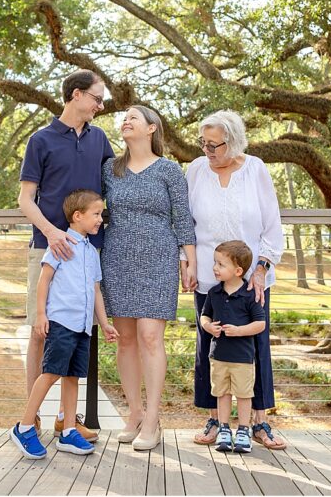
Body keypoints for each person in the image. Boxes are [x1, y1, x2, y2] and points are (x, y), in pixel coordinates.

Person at [18, 70, 114, 440]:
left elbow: (111, 187)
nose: (100, 106)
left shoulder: (100, 139)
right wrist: (52, 231)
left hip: (88, 251)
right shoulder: (40, 140)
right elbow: (26, 198)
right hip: (47, 247)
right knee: (40, 333)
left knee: (76, 334)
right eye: (96, 98)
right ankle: (32, 416)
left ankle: (67, 418)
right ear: (76, 95)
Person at [185, 110, 287, 450]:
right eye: (203, 143)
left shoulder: (255, 169)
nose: (207, 151)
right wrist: (184, 262)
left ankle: (259, 422)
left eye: (214, 145)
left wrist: (261, 267)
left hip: (251, 280)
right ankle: (216, 420)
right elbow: (185, 223)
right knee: (210, 347)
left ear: (235, 142)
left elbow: (271, 223)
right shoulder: (196, 170)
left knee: (255, 347)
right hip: (209, 277)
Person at [100, 106, 197, 451]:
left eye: (133, 118)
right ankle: (135, 413)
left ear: (152, 128)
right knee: (126, 339)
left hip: (159, 256)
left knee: (150, 336)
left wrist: (190, 260)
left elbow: (183, 218)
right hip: (117, 256)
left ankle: (153, 418)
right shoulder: (110, 170)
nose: (125, 122)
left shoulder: (170, 170)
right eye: (123, 119)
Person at [10, 190, 119, 459]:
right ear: (77, 216)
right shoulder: (60, 244)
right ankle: (24, 426)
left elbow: (95, 291)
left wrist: (104, 324)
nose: (100, 220)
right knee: (51, 373)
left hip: (82, 326)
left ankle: (68, 430)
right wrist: (41, 315)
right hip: (61, 321)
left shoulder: (92, 252)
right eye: (96, 214)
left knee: (72, 377)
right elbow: (43, 281)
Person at [199, 241, 267, 453]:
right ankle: (224, 428)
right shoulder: (214, 293)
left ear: (238, 271)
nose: (215, 268)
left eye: (221, 264)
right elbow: (204, 316)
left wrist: (240, 331)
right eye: (215, 263)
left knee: (244, 394)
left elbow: (261, 324)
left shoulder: (249, 294)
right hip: (218, 356)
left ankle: (244, 430)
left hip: (243, 358)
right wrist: (209, 327)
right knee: (222, 393)